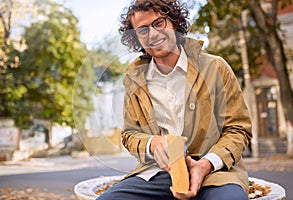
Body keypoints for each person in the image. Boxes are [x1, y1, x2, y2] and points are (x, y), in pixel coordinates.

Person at [97, 0, 252, 199]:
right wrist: (153, 143)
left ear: (174, 23)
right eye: (143, 30)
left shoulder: (215, 67)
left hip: (216, 172)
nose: (152, 34)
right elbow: (130, 134)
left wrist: (206, 164)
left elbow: (238, 128)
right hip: (158, 174)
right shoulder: (134, 81)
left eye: (158, 23)